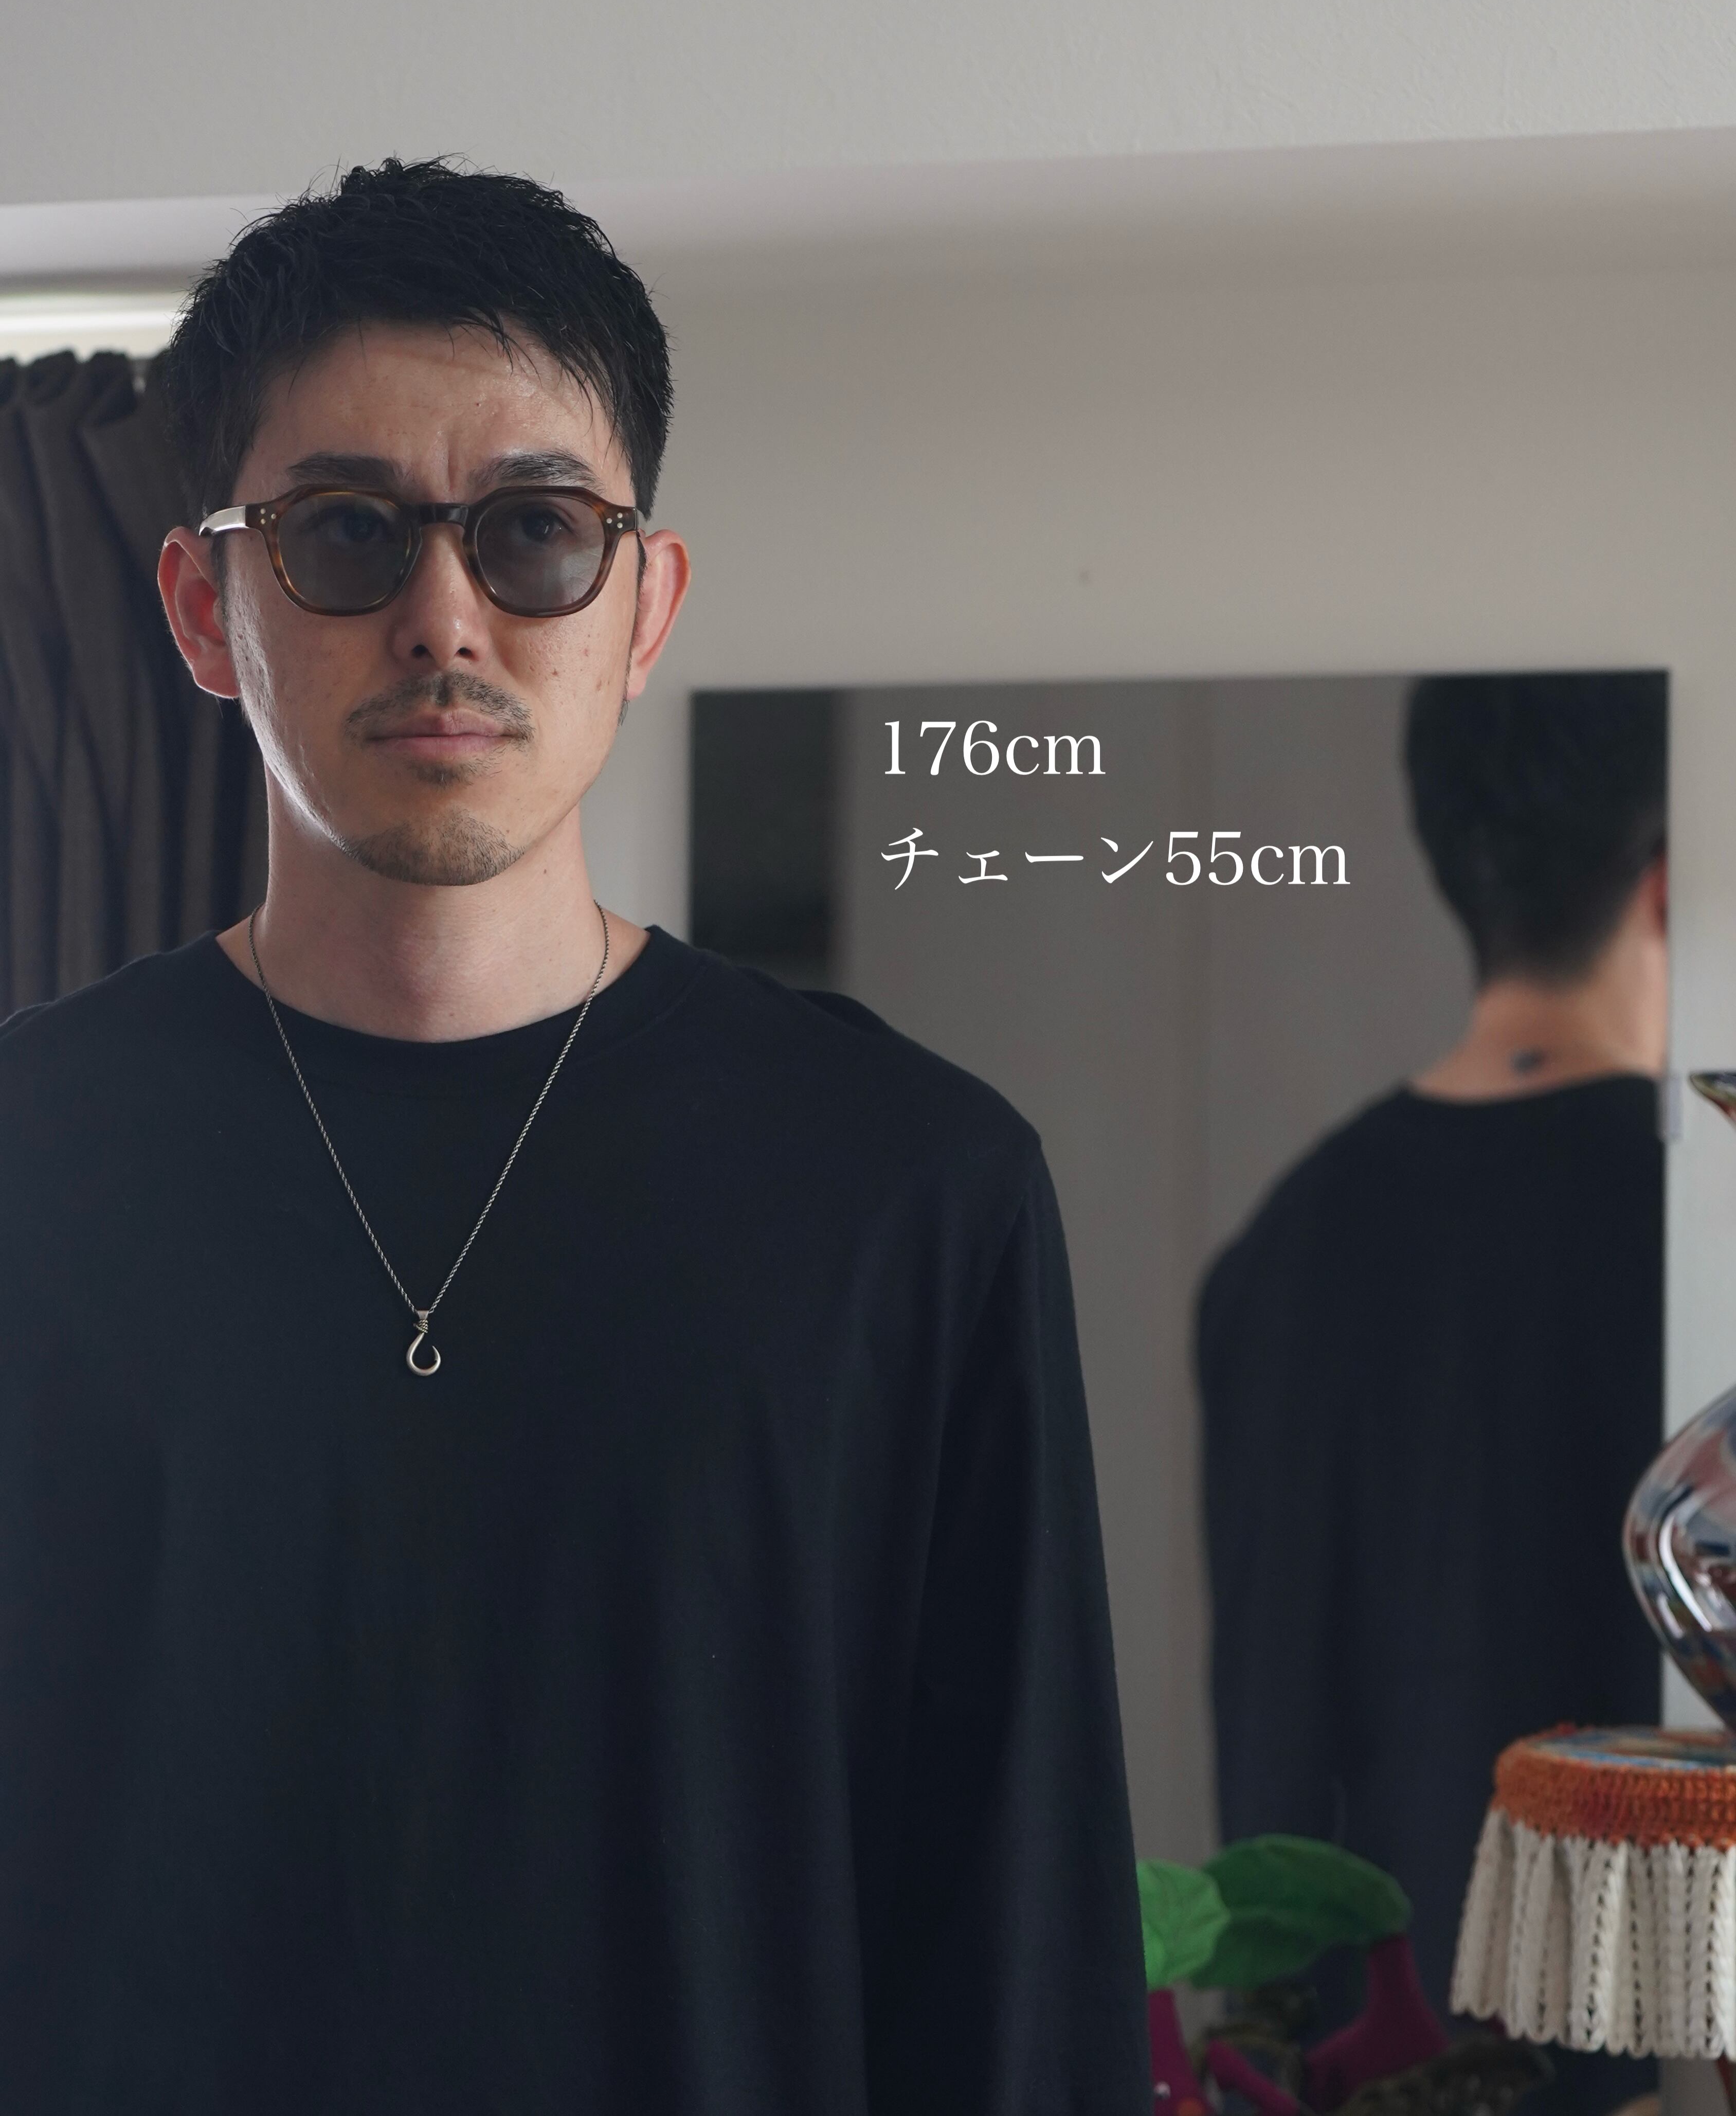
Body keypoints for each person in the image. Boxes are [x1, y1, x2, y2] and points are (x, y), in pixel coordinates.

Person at [0, 160, 1148, 2115]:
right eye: (344, 533)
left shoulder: (912, 1195)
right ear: (205, 605)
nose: (443, 616)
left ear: (643, 604)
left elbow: (1016, 1956)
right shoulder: (30, 1170)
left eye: (535, 531)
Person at [1198, 672, 1667, 2116]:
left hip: (1345, 2069)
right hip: (1648, 2067)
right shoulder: (1695, 1230)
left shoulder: (1277, 1255)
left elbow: (1272, 1748)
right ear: (1667, 879)